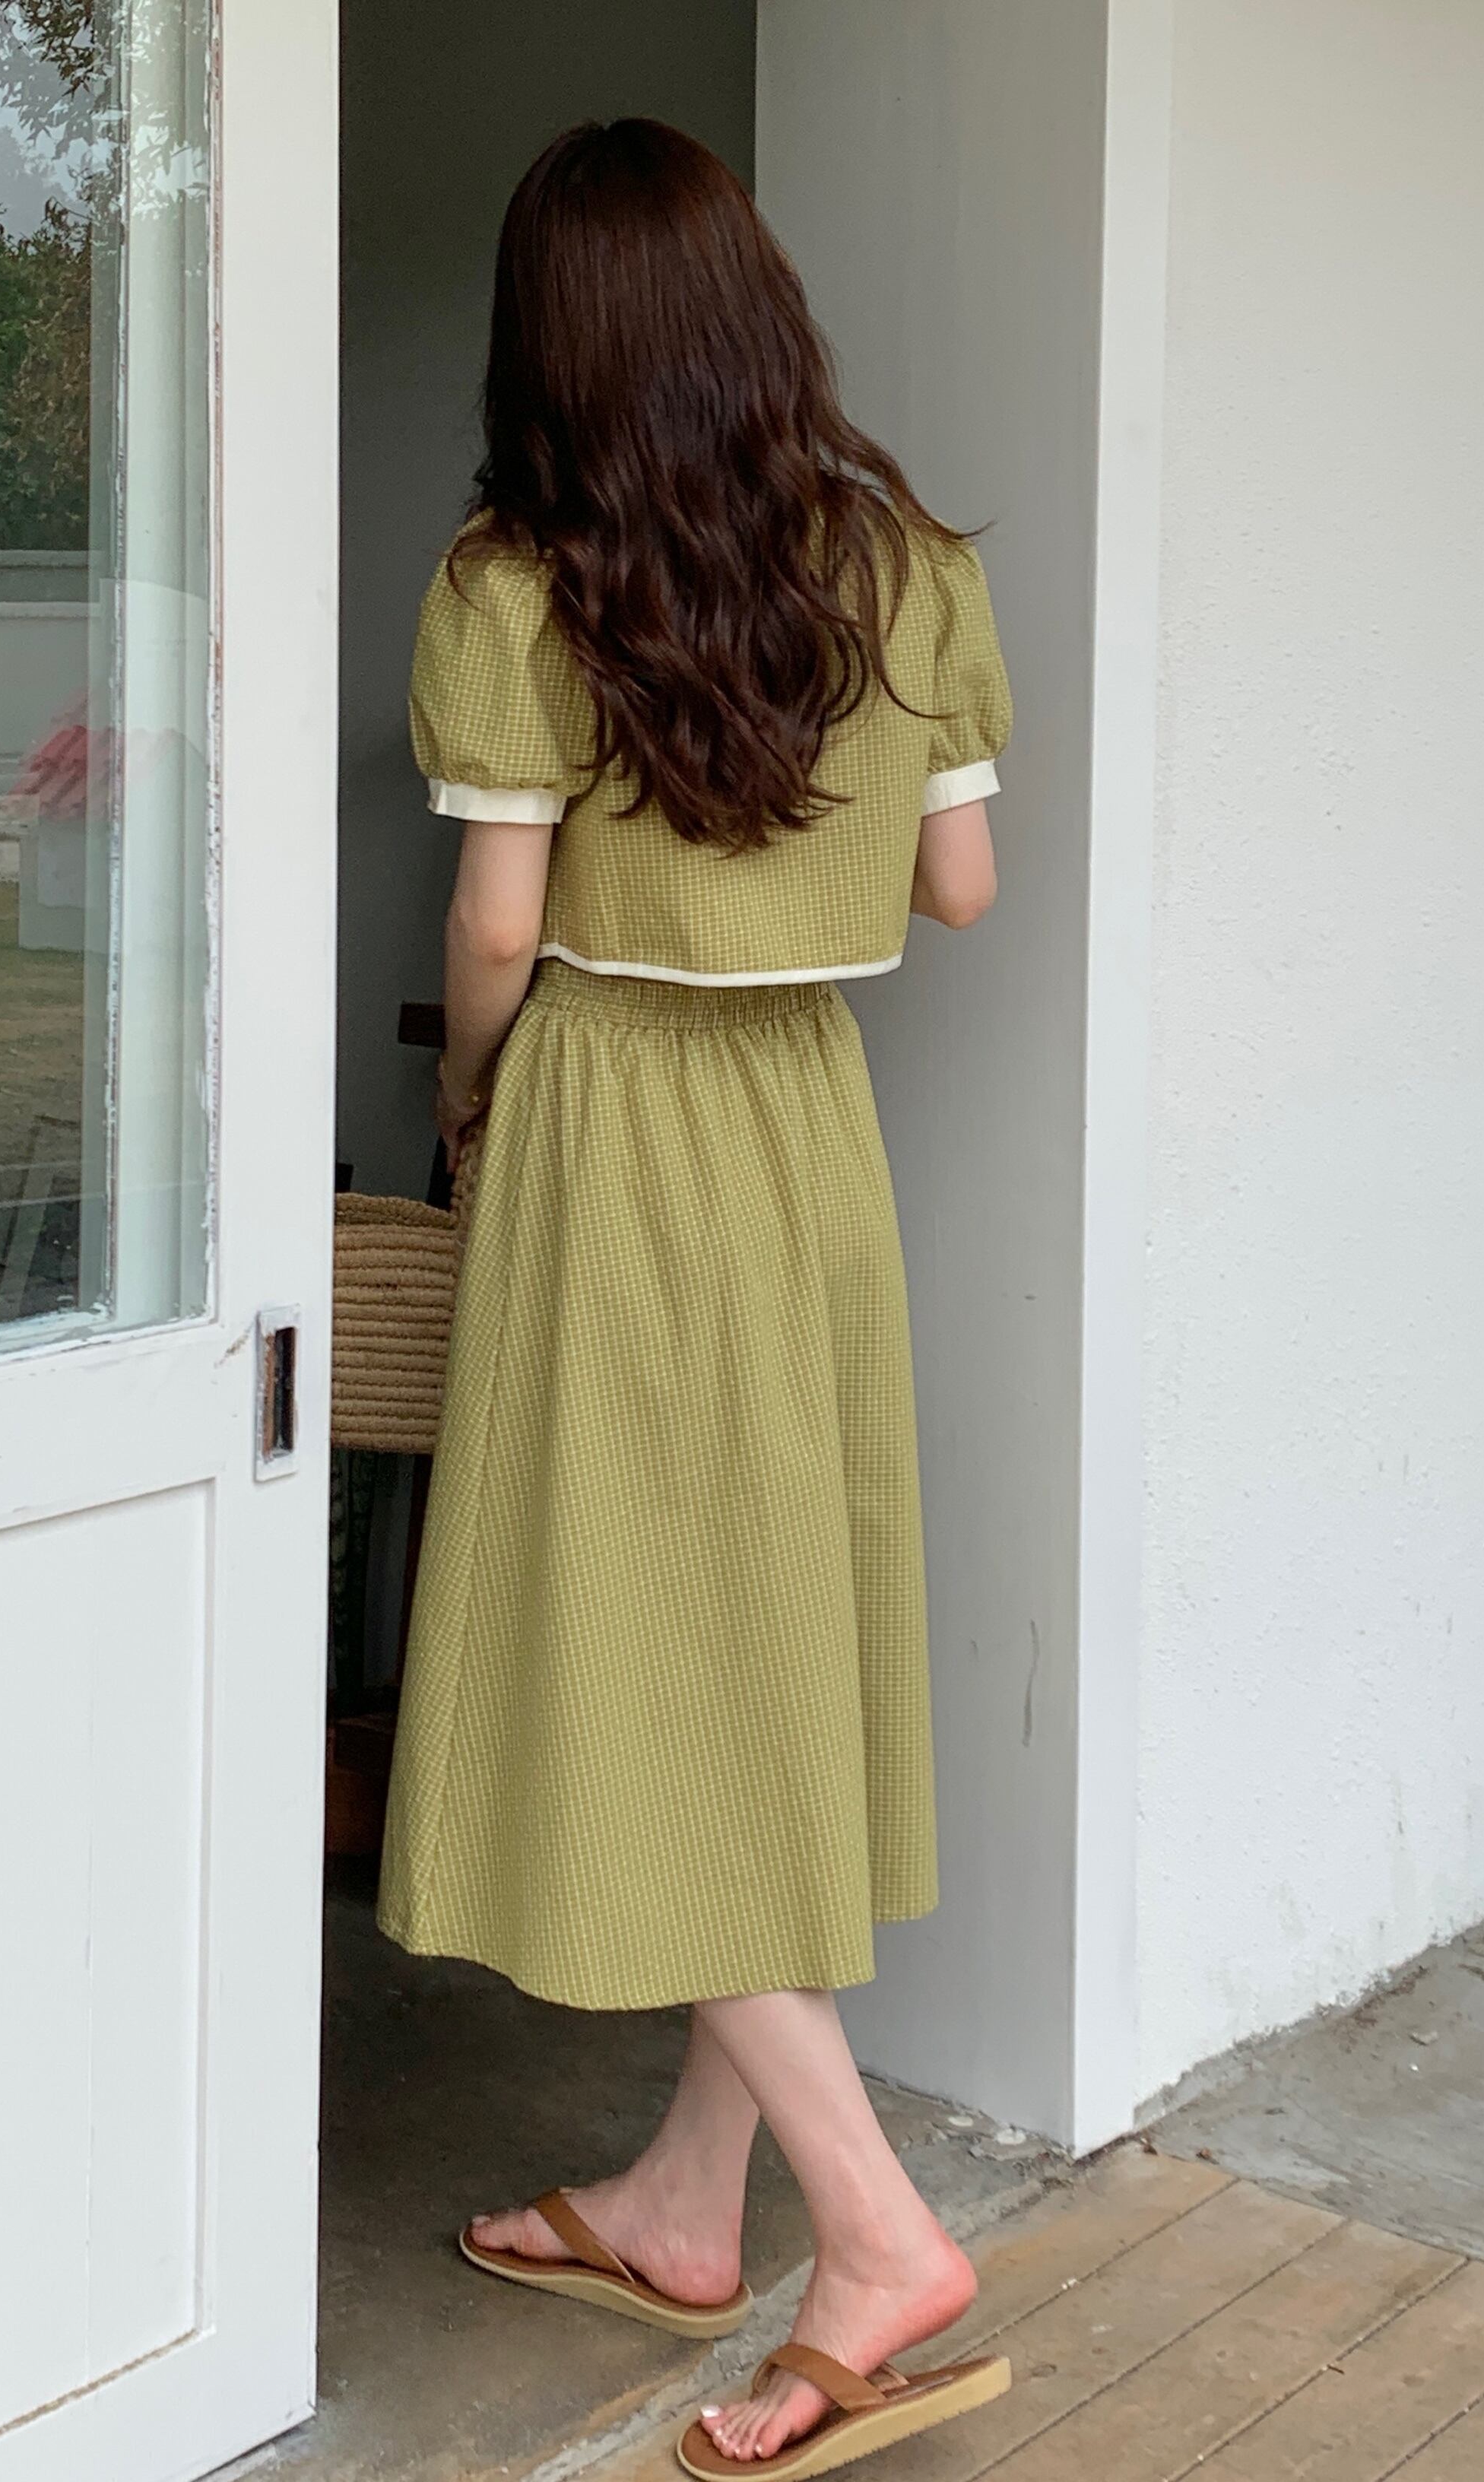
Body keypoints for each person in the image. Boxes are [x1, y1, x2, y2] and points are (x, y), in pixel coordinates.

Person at [376, 118, 1013, 2477]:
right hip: (806, 1131)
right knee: (757, 1648)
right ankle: (681, 2202)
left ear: (550, 337)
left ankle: (878, 2234)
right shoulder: (903, 563)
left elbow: (498, 931)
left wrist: (474, 1106)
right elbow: (959, 887)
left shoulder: (516, 585)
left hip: (616, 1129)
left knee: (642, 1657)